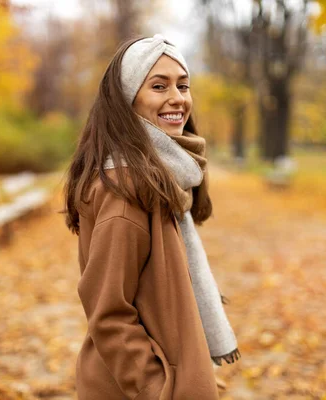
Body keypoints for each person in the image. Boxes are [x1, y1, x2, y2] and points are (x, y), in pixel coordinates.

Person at [63, 34, 240, 400]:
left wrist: (194, 370)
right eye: (158, 86)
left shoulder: (159, 179)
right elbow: (109, 313)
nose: (177, 98)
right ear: (128, 100)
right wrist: (161, 387)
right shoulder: (126, 189)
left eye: (183, 85)